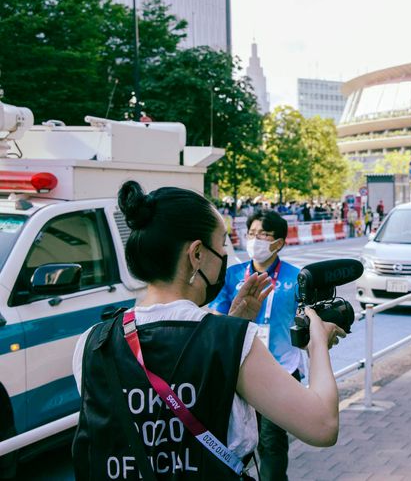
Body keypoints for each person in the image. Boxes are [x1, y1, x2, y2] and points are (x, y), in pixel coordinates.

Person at [72, 181, 345, 480]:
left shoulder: (93, 342)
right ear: (197, 254)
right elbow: (322, 425)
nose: (224, 257)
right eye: (221, 246)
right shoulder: (231, 340)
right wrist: (317, 342)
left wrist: (232, 324)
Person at [209, 209, 303, 481]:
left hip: (280, 372)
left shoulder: (296, 278)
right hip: (239, 372)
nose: (255, 240)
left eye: (263, 234)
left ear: (278, 243)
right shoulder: (233, 275)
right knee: (235, 440)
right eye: (252, 233)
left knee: (272, 440)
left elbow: (306, 318)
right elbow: (217, 317)